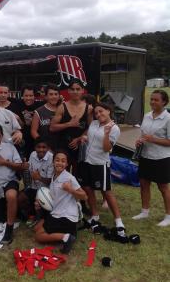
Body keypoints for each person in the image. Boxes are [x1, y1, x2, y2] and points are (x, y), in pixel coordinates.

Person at [81, 103, 126, 234]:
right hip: (87, 161)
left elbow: (107, 149)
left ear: (108, 110)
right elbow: (90, 137)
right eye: (96, 113)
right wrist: (85, 138)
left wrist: (106, 134)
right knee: (88, 189)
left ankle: (118, 220)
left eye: (101, 111)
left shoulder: (114, 128)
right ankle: (95, 215)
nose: (99, 114)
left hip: (100, 164)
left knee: (106, 191)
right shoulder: (94, 123)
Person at [34, 150, 87, 254]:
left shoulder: (69, 178)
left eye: (63, 161)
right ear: (53, 162)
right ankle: (66, 233)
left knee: (38, 236)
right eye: (57, 160)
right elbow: (53, 198)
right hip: (57, 213)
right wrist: (39, 202)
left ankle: (66, 237)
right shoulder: (54, 177)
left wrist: (70, 189)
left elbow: (85, 196)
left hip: (66, 217)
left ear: (67, 164)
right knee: (36, 228)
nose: (60, 163)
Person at [132, 90, 170, 226]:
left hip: (161, 158)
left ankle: (168, 216)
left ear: (164, 102)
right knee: (144, 184)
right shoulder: (147, 116)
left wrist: (152, 139)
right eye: (152, 99)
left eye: (156, 100)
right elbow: (143, 134)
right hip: (145, 156)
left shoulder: (168, 118)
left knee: (163, 187)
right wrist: (139, 140)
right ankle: (144, 211)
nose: (153, 102)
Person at [50, 79, 93, 175]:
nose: (75, 92)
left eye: (78, 89)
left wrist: (79, 138)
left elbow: (91, 128)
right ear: (68, 91)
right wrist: (69, 124)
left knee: (79, 176)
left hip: (80, 147)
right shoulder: (62, 107)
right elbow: (52, 127)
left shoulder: (89, 108)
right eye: (72, 89)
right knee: (61, 174)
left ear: (82, 90)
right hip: (64, 145)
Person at [18, 137, 54, 225]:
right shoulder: (33, 154)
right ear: (35, 147)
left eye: (44, 147)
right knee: (18, 198)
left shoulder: (51, 158)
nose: (41, 149)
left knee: (39, 205)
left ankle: (37, 216)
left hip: (46, 191)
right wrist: (25, 166)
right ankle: (28, 214)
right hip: (33, 187)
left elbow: (49, 181)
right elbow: (29, 169)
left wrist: (39, 177)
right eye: (38, 147)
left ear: (48, 148)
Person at [13, 84, 43, 160]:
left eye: (31, 95)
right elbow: (4, 99)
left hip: (36, 140)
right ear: (22, 96)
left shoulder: (40, 105)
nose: (28, 98)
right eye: (26, 96)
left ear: (35, 96)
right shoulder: (17, 104)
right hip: (22, 141)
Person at [31, 84, 61, 151]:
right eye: (51, 94)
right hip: (45, 150)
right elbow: (33, 132)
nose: (54, 96)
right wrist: (43, 145)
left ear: (59, 96)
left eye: (56, 94)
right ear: (46, 96)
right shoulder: (38, 111)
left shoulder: (63, 110)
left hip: (61, 148)